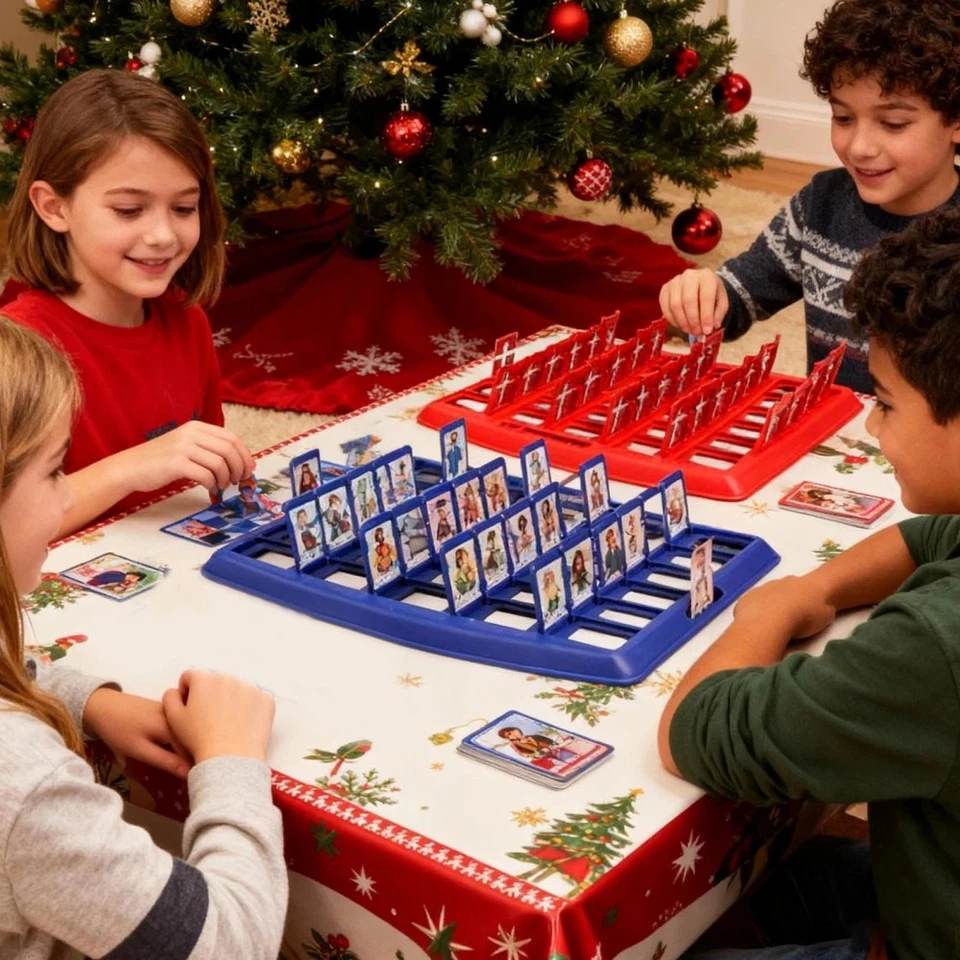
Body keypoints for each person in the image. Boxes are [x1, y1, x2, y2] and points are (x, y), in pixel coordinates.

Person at [660, 207, 960, 959]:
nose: (870, 428)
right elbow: (931, 538)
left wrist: (764, 613)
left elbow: (695, 729)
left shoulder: (932, 645)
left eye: (886, 403)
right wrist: (816, 590)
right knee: (789, 877)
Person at [0, 317, 286, 959]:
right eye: (54, 473)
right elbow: (231, 945)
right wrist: (231, 763)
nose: (67, 499)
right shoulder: (23, 783)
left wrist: (87, 700)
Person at [0, 69, 255, 536]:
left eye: (183, 208)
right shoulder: (16, 352)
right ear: (54, 207)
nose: (161, 236)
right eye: (128, 210)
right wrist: (129, 469)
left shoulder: (187, 321)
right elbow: (8, 531)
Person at [658, 0, 960, 394]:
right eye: (843, 118)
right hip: (826, 441)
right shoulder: (820, 205)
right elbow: (739, 298)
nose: (860, 147)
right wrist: (700, 298)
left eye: (893, 123)